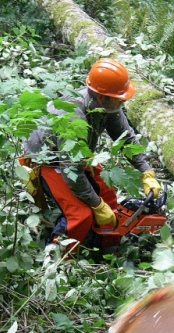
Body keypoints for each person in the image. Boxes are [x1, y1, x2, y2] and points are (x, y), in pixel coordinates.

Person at [21, 58, 161, 252]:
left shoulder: (109, 106)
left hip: (75, 156)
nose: (123, 101)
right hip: (47, 160)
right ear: (102, 97)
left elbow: (126, 137)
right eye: (119, 98)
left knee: (108, 195)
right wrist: (96, 205)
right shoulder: (73, 116)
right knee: (79, 215)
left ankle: (105, 247)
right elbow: (72, 172)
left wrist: (146, 171)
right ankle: (56, 262)